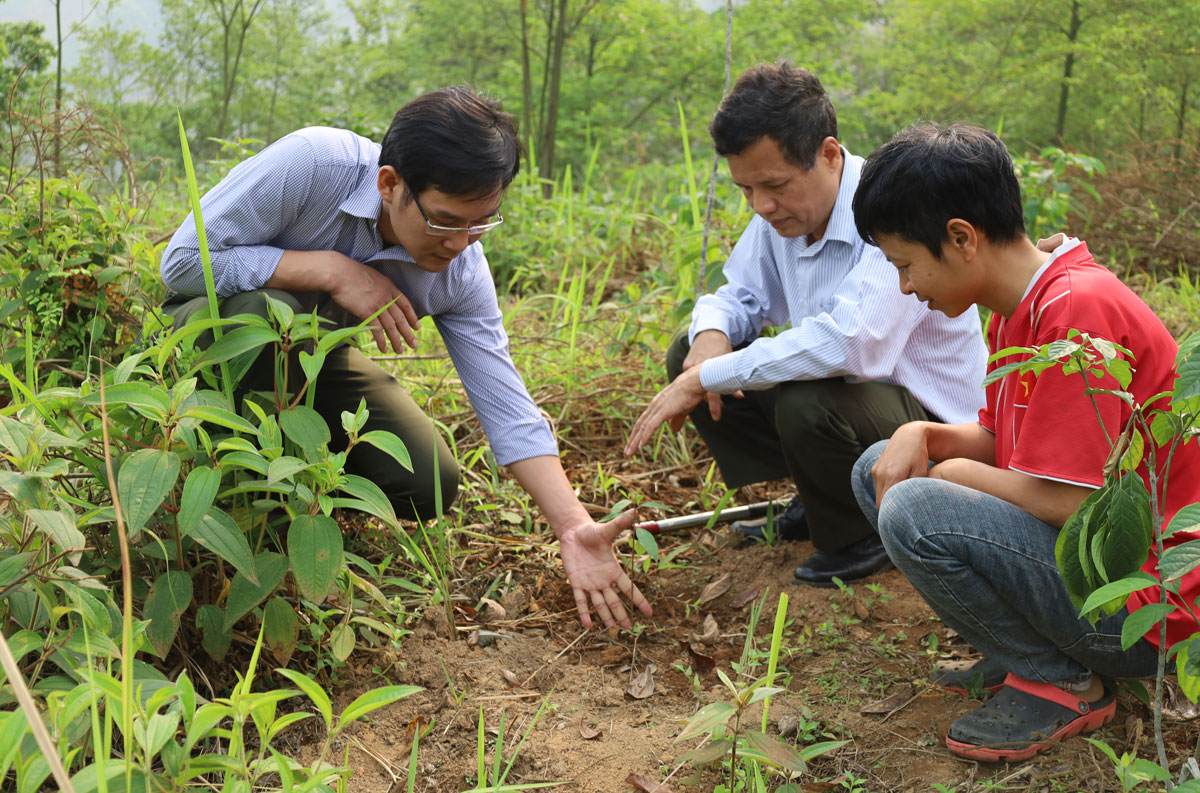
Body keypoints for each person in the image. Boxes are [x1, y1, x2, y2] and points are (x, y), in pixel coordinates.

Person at [160, 86, 651, 631]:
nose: (461, 242)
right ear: (389, 184)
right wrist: (332, 270)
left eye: (481, 222)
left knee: (429, 480)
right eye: (444, 221)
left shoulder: (460, 270)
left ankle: (301, 510)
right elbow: (181, 263)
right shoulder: (314, 164)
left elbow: (506, 405)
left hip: (312, 363)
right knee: (263, 312)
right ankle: (233, 502)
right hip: (208, 334)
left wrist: (572, 526)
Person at [850, 121, 1200, 761]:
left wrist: (942, 478)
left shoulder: (1076, 310)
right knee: (881, 465)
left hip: (1150, 606)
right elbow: (997, 438)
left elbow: (1068, 500)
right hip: (1099, 569)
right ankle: (1025, 651)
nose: (905, 286)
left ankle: (1064, 681)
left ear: (961, 239)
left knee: (914, 503)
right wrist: (920, 431)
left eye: (905, 264)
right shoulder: (1022, 305)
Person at [624, 63, 987, 586]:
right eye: (745, 189)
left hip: (933, 424)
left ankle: (862, 532)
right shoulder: (782, 218)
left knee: (804, 397)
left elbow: (854, 344)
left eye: (773, 185)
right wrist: (708, 344)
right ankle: (821, 495)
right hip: (855, 401)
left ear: (829, 154)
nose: (761, 206)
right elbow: (741, 297)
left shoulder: (888, 209)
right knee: (693, 350)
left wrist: (710, 376)